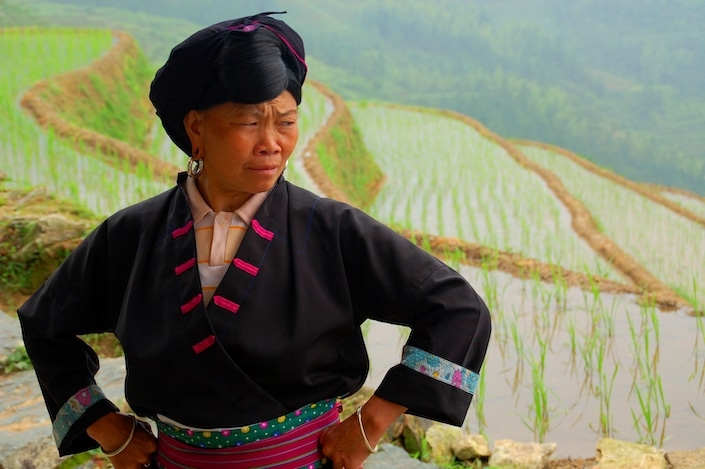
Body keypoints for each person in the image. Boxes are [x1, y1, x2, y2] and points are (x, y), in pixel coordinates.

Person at [17, 11, 491, 469]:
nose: (272, 143)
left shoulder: (332, 230)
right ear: (196, 128)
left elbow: (456, 309)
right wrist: (106, 428)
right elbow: (45, 324)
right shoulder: (133, 235)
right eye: (249, 122)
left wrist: (371, 423)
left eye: (285, 122)